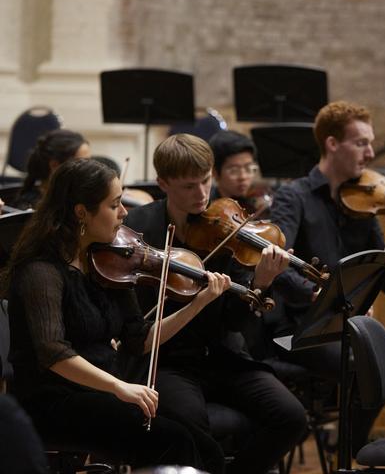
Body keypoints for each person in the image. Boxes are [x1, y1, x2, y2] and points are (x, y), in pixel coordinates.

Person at [4, 158, 230, 470]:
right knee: (173, 442)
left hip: (103, 392)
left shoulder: (105, 262)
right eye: (115, 204)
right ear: (81, 212)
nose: (124, 213)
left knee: (207, 449)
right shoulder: (41, 271)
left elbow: (140, 339)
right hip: (54, 402)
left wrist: (198, 303)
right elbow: (51, 352)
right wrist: (117, 386)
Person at [124, 133, 306, 474]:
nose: (202, 194)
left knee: (292, 418)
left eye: (206, 181)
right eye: (189, 186)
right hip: (169, 360)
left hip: (223, 354)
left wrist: (261, 282)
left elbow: (235, 322)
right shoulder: (140, 229)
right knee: (190, 428)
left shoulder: (227, 225)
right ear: (163, 183)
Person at [269, 100, 385, 454]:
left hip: (345, 327)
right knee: (367, 365)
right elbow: (280, 267)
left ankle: (357, 448)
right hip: (297, 329)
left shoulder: (364, 202)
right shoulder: (294, 197)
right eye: (360, 143)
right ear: (332, 144)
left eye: (370, 143)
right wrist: (327, 299)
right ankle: (352, 452)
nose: (370, 153)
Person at [13, 129, 91, 210]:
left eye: (89, 162)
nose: (89, 169)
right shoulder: (29, 206)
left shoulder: (82, 198)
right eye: (81, 164)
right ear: (54, 165)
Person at [208, 129, 266, 215]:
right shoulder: (207, 209)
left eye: (248, 168)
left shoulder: (257, 205)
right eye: (234, 171)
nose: (243, 177)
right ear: (215, 173)